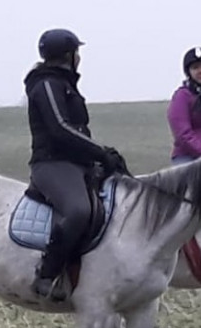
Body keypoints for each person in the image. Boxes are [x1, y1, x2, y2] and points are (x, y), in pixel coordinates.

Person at [23, 28, 128, 301]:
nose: (79, 58)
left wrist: (103, 158)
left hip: (78, 163)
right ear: (69, 56)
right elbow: (60, 128)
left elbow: (79, 129)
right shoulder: (46, 84)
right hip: (52, 164)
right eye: (77, 53)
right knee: (79, 210)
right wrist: (100, 151)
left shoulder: (65, 84)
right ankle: (47, 274)